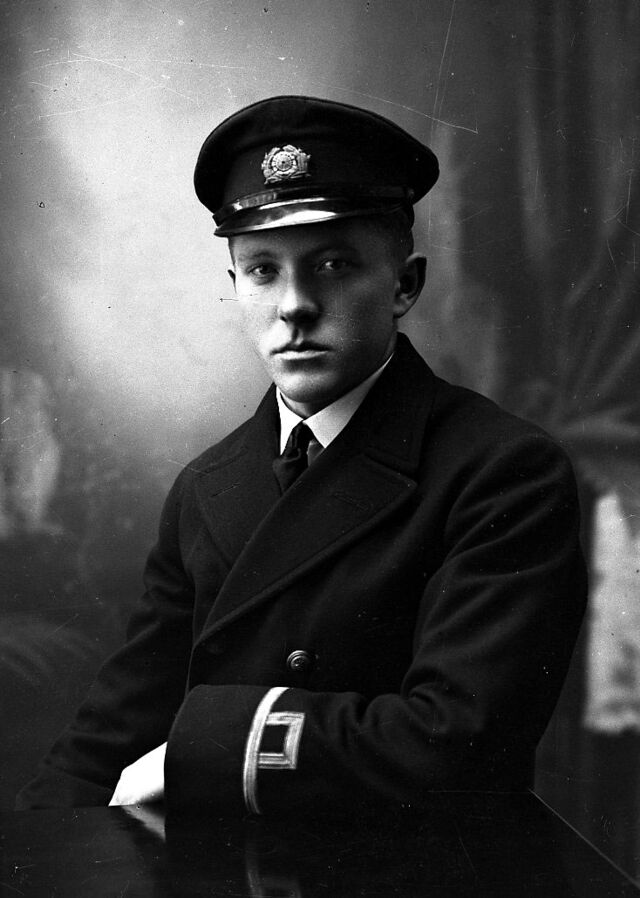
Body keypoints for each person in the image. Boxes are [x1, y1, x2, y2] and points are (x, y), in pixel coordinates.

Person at [17, 95, 587, 816]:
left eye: (333, 265)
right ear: (234, 288)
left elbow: (460, 740)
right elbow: (113, 729)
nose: (293, 305)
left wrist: (204, 748)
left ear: (404, 285)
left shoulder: (502, 471)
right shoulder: (206, 488)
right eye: (262, 271)